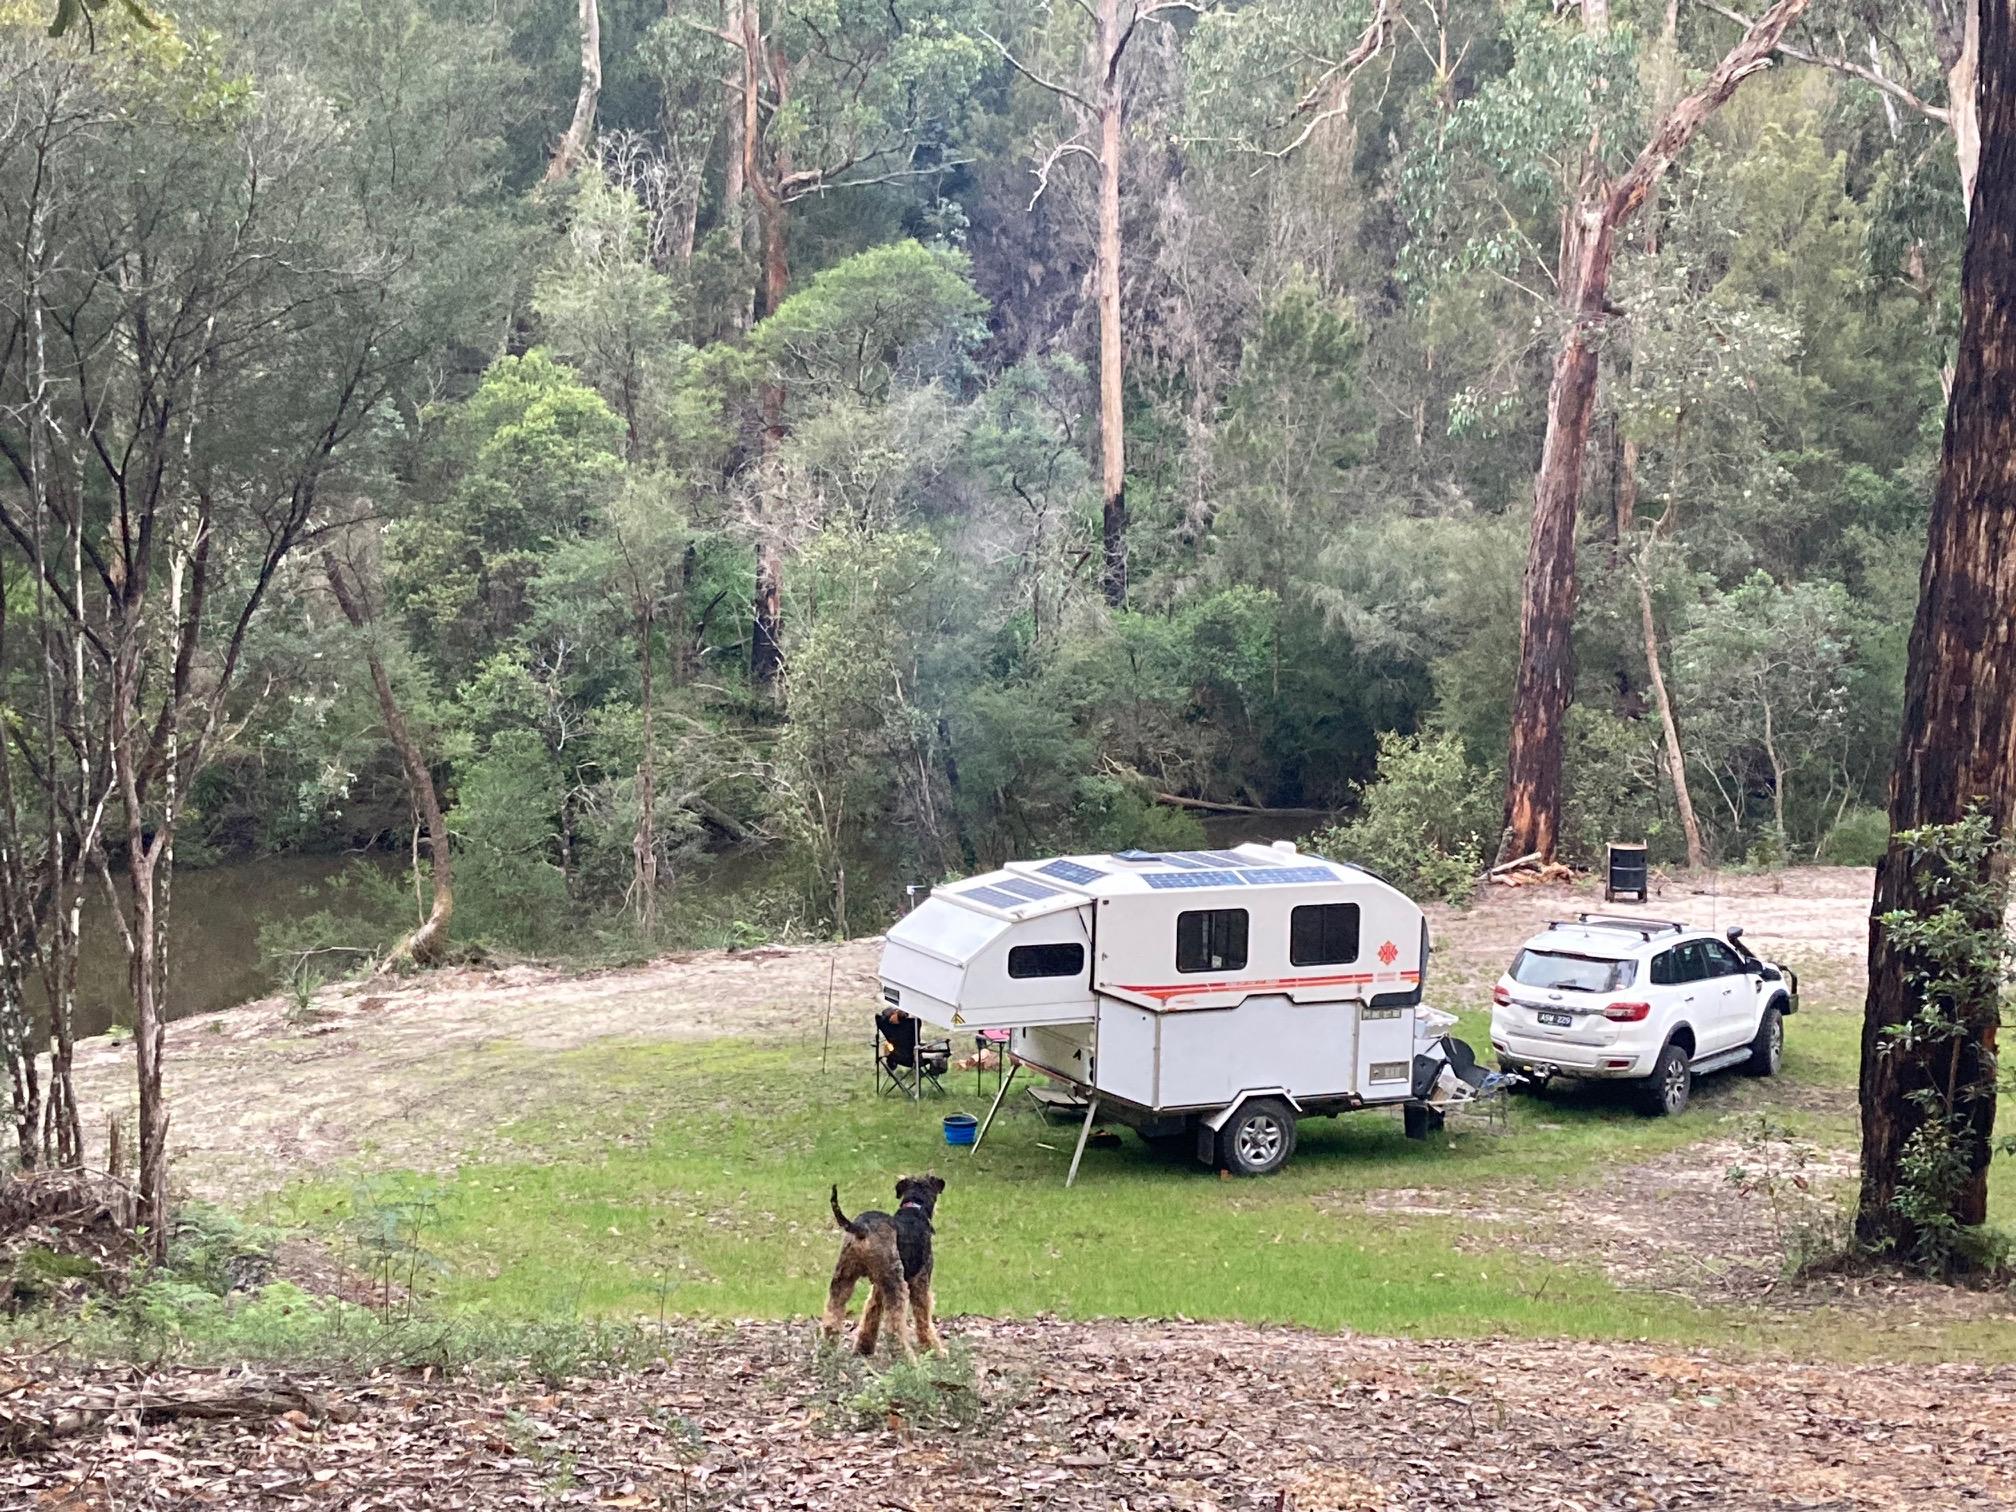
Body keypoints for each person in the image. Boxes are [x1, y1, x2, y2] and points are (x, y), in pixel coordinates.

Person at [876, 1005, 921, 1074]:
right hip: (912, 1059)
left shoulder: (883, 1023)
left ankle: (891, 1066)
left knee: (888, 1044)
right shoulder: (913, 1023)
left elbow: (882, 1014)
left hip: (895, 1056)